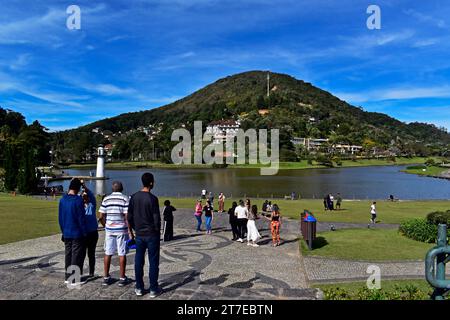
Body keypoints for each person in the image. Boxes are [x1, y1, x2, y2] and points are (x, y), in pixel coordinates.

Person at [127, 173, 162, 297]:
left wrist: (132, 230)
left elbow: (129, 217)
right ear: (151, 183)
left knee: (138, 261)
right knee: (153, 262)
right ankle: (153, 288)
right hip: (152, 234)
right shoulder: (153, 199)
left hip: (140, 234)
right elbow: (156, 218)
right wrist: (158, 232)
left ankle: (139, 287)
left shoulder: (134, 197)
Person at [99, 181, 131, 287]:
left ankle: (106, 277)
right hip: (121, 229)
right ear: (122, 188)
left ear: (112, 189)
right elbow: (127, 216)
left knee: (108, 252)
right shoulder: (125, 198)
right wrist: (130, 230)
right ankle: (122, 278)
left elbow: (100, 216)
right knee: (122, 253)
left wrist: (105, 225)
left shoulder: (106, 199)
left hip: (109, 229)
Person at [58, 178, 87, 285]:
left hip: (66, 231)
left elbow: (60, 218)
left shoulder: (62, 199)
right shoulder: (78, 200)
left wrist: (63, 231)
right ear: (78, 188)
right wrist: (84, 233)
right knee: (76, 255)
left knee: (68, 254)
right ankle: (74, 279)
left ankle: (67, 277)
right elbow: (81, 219)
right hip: (77, 232)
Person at [81, 182, 98, 278]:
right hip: (84, 233)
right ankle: (81, 272)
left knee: (91, 254)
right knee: (82, 254)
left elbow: (91, 194)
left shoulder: (92, 204)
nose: (85, 198)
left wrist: (84, 187)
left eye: (86, 196)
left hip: (92, 233)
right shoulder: (79, 207)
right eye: (83, 197)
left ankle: (91, 272)